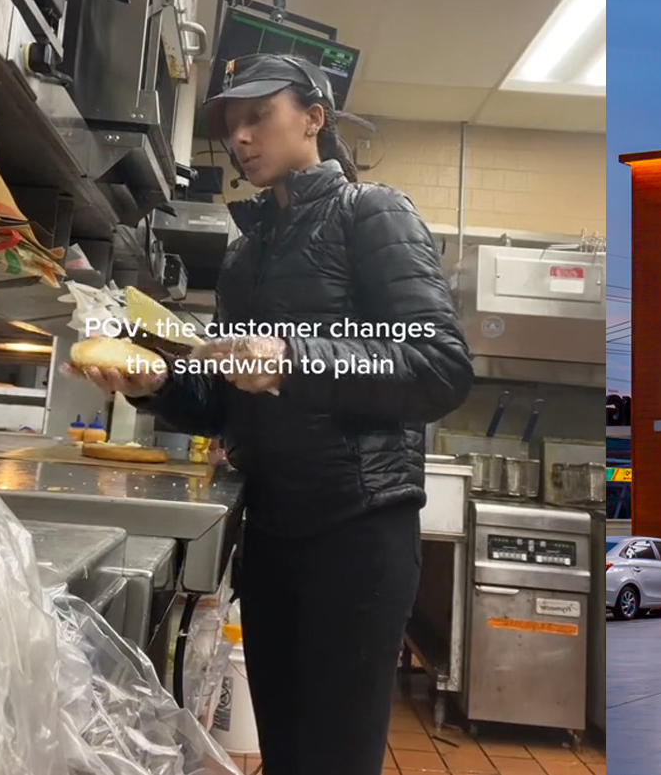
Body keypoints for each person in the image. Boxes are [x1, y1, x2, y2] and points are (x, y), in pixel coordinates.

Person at [71, 54, 473, 775]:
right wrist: (157, 379)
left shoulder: (373, 214)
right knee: (287, 753)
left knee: (335, 760)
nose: (242, 137)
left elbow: (438, 365)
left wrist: (294, 358)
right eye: (232, 126)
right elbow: (225, 401)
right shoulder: (245, 258)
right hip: (273, 536)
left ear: (314, 117)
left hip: (358, 535)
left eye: (259, 115)